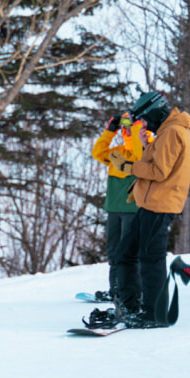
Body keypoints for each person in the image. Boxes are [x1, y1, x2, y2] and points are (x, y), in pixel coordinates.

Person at [106, 90, 190, 328]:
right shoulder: (166, 132)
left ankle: (153, 313)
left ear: (156, 111)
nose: (145, 123)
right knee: (125, 254)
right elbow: (157, 164)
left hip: (160, 204)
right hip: (149, 203)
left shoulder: (173, 131)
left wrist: (127, 166)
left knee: (149, 258)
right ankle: (132, 307)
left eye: (145, 118)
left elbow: (159, 172)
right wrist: (145, 146)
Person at [87, 111, 150, 306]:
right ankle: (115, 290)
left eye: (130, 126)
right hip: (114, 208)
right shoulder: (119, 152)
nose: (127, 129)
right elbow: (97, 152)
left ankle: (132, 293)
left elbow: (139, 152)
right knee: (114, 252)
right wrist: (109, 131)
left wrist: (136, 125)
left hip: (133, 210)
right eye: (125, 127)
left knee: (129, 253)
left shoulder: (145, 149)